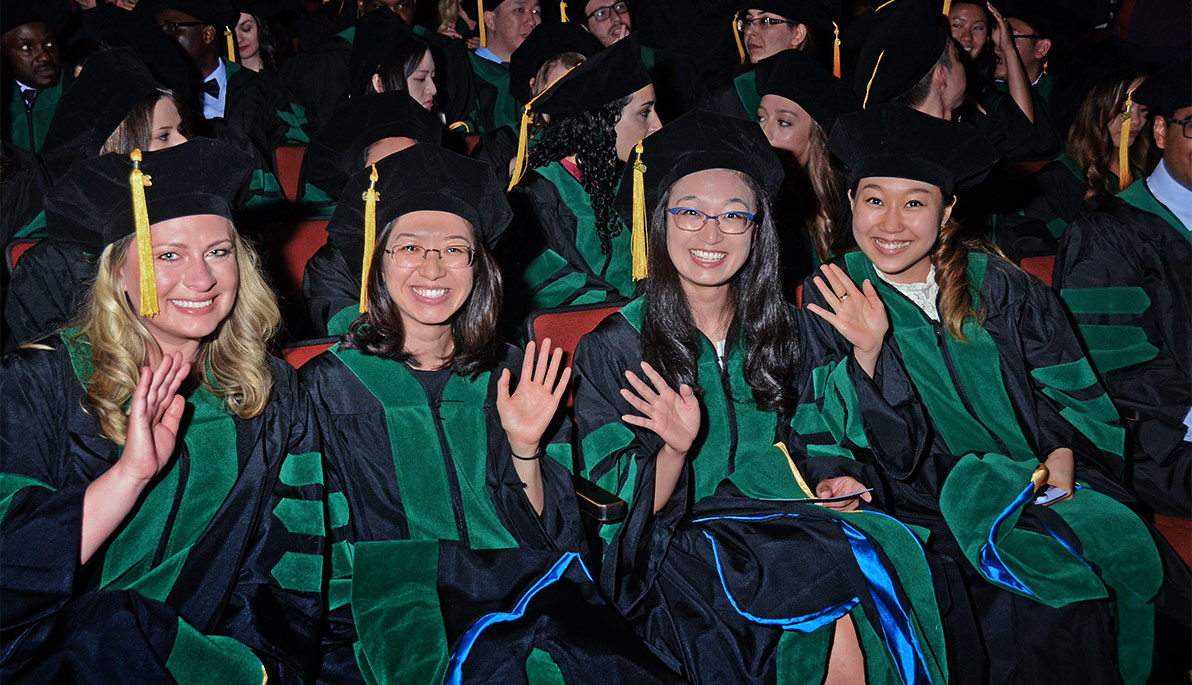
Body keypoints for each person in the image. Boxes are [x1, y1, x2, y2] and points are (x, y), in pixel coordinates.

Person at [572, 109, 957, 683]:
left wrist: (831, 476)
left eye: (734, 217)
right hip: (674, 547)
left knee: (882, 561)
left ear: (758, 232)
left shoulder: (788, 329)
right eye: (690, 213)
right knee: (829, 603)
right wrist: (673, 455)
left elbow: (823, 436)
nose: (711, 234)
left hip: (783, 520)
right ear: (659, 222)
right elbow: (609, 515)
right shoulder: (616, 347)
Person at [301, 144, 679, 683]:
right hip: (395, 604)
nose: (433, 267)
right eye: (409, 246)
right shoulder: (328, 388)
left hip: (516, 587)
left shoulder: (512, 372)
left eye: (456, 249)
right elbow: (321, 551)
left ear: (479, 267)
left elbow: (550, 537)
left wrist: (525, 449)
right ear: (376, 259)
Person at [820, 101, 1167, 683]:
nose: (891, 223)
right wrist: (869, 354)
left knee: (1117, 567)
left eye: (915, 202)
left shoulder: (999, 284)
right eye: (874, 199)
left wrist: (1063, 452)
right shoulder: (827, 296)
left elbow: (1071, 392)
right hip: (921, 507)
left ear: (948, 208)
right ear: (850, 202)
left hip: (1042, 481)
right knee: (1030, 605)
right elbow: (855, 446)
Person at [0, 138, 325, 682]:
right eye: (167, 256)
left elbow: (283, 565)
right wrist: (128, 477)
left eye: (218, 252)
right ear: (118, 272)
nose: (201, 280)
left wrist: (246, 667)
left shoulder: (271, 392)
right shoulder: (39, 384)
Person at [1054, 60, 1191, 520]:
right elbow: (1116, 366)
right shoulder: (1107, 235)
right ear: (1158, 131)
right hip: (1160, 445)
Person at [5, 47, 192, 349]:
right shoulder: (56, 265)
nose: (185, 144)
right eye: (164, 135)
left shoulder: (199, 229)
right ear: (121, 150)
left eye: (181, 130)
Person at [505, 36, 661, 323]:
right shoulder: (537, 192)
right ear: (605, 121)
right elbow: (550, 284)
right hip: (577, 345)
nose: (657, 126)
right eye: (644, 113)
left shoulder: (632, 183)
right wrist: (629, 316)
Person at [755, 48, 858, 296]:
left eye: (784, 122)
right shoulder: (754, 199)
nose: (765, 134)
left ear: (815, 135)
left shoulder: (851, 199)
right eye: (761, 119)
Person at [1017, 70, 1154, 242]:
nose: (1136, 120)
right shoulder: (1056, 181)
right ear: (1095, 109)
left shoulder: (1150, 170)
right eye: (1122, 110)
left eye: (1143, 110)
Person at [299, 90, 443, 223]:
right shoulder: (343, 245)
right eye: (379, 170)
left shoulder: (447, 237)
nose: (395, 180)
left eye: (408, 165)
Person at [703, 0, 836, 121]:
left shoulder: (825, 95)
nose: (750, 31)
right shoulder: (729, 97)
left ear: (797, 34)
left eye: (765, 21)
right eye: (748, 22)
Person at [1, 1, 68, 153]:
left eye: (50, 44)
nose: (44, 56)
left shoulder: (76, 89)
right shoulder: (5, 100)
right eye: (26, 48)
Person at [467, 0, 541, 132]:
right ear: (490, 20)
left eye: (536, 12)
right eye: (519, 10)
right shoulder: (465, 71)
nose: (532, 22)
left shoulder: (544, 72)